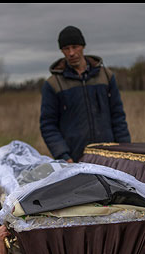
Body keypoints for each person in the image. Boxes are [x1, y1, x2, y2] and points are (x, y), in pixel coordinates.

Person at [40, 25, 131, 163]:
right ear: (62, 51)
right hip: (75, 160)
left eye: (75, 47)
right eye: (66, 48)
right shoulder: (53, 84)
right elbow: (48, 125)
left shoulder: (106, 76)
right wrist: (64, 156)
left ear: (83, 46)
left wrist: (125, 151)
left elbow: (118, 116)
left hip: (110, 156)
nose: (71, 53)